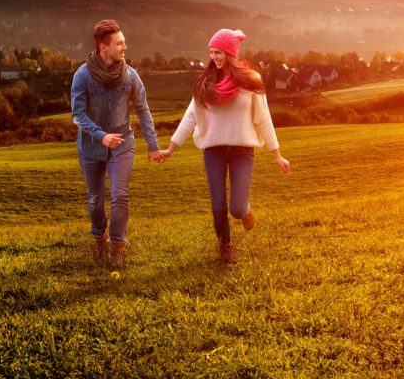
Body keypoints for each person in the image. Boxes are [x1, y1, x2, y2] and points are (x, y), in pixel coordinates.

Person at [159, 28, 290, 263]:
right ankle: (225, 245)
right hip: (214, 151)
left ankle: (246, 211)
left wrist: (277, 155)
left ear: (230, 53)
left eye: (218, 52)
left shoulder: (251, 82)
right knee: (218, 205)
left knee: (236, 209)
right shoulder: (205, 83)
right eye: (211, 52)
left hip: (242, 151)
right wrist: (171, 148)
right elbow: (191, 117)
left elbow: (264, 119)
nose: (214, 57)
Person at [70, 19, 164, 269]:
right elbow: (77, 115)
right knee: (94, 199)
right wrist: (101, 135)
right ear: (104, 47)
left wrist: (153, 145)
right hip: (91, 145)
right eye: (120, 43)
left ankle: (117, 247)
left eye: (124, 42)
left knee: (120, 196)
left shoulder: (130, 75)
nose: (125, 47)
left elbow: (143, 110)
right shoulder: (82, 75)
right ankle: (99, 235)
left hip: (122, 141)